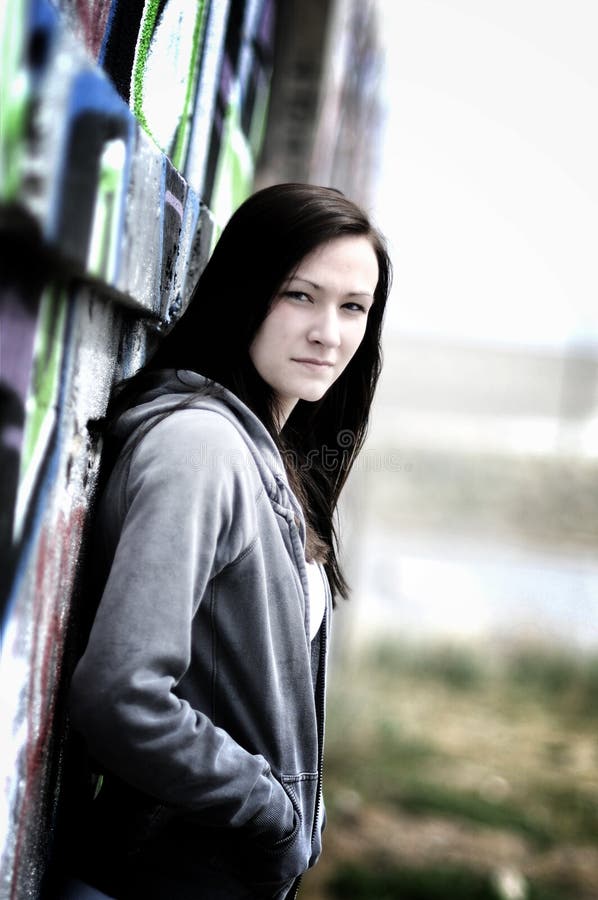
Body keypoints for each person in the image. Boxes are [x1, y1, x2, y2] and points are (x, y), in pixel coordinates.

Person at [61, 183, 391, 900]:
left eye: (352, 307)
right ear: (247, 289)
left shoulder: (267, 452)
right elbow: (120, 696)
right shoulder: (201, 446)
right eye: (299, 295)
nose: (327, 333)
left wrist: (303, 808)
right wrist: (272, 810)